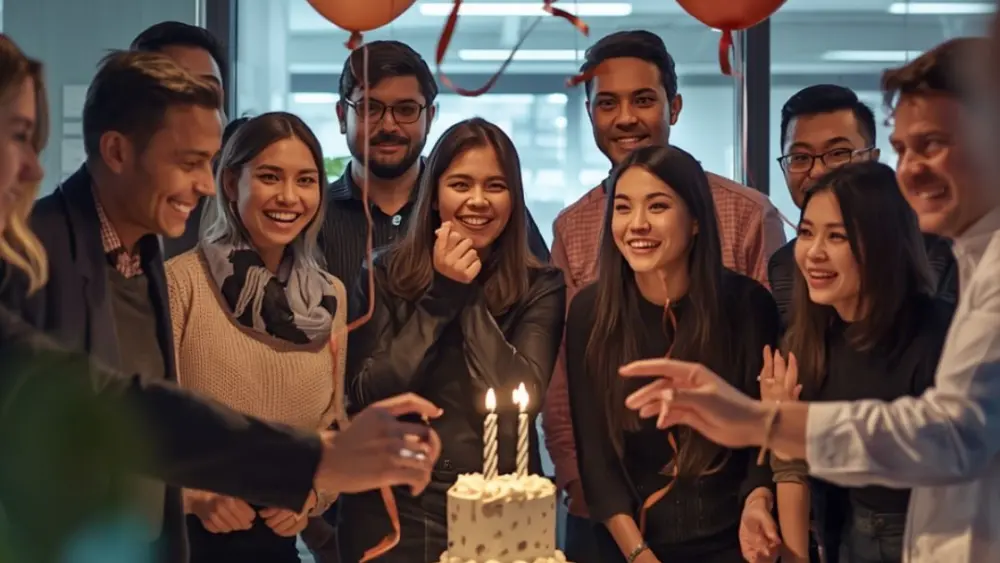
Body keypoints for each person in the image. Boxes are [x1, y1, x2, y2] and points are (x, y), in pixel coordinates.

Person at [0, 34, 442, 563]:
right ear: (118, 150)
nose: (206, 187)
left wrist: (315, 473)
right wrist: (311, 459)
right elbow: (116, 409)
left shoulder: (142, 255)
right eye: (189, 162)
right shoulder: (35, 252)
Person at [620, 37, 1000, 563]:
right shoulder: (803, 300)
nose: (910, 169)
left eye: (932, 144)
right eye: (905, 148)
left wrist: (759, 419)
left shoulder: (944, 298)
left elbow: (951, 435)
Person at [541, 32, 786, 560]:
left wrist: (761, 495)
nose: (625, 117)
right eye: (607, 103)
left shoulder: (746, 219)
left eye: (643, 100)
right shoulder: (572, 228)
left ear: (673, 106)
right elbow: (567, 387)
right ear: (589, 112)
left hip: (731, 518)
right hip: (613, 515)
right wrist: (576, 480)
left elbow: (771, 390)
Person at [337, 117, 566, 562]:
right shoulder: (383, 272)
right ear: (435, 194)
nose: (477, 200)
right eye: (460, 184)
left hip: (503, 500)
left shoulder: (541, 284)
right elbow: (368, 393)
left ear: (513, 199)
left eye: (495, 186)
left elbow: (522, 393)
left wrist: (466, 291)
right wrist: (441, 295)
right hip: (397, 502)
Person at [566, 145, 779, 563]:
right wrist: (639, 553)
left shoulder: (748, 305)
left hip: (734, 544)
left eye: (658, 206)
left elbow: (763, 433)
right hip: (629, 545)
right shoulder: (590, 312)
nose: (637, 225)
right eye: (623, 208)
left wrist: (758, 501)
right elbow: (597, 462)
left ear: (696, 220)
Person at [166, 113, 346, 562]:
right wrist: (194, 497)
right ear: (230, 183)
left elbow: (333, 425)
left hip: (278, 548)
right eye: (269, 177)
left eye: (306, 180)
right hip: (184, 545)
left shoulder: (329, 297)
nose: (289, 196)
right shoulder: (179, 284)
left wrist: (312, 495)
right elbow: (135, 426)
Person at [766, 162, 953, 563]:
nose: (814, 253)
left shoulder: (938, 338)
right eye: (806, 233)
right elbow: (790, 462)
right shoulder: (808, 334)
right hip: (840, 528)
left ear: (884, 244)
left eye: (837, 236)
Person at [320, 41, 550, 297]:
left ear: (429, 118)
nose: (388, 126)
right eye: (370, 108)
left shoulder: (484, 210)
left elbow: (537, 296)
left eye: (406, 109)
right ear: (342, 116)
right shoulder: (312, 217)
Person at [769, 85, 957, 326]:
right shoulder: (785, 265)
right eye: (801, 158)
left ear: (872, 159)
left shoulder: (943, 251)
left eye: (838, 153)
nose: (817, 171)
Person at [131, 21, 228, 260]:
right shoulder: (47, 242)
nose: (195, 110)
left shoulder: (228, 210)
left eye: (209, 94)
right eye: (178, 91)